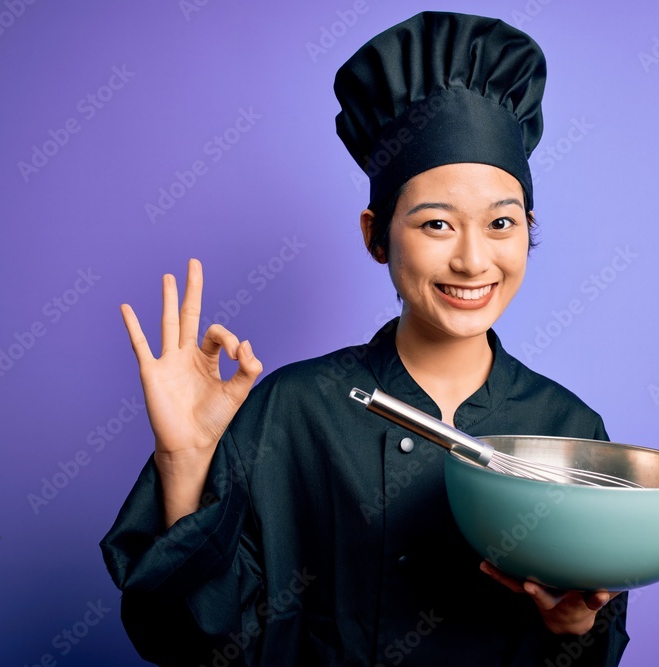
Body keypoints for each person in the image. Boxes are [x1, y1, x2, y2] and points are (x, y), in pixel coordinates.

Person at [101, 11, 630, 666]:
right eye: (436, 224)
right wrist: (185, 461)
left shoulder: (569, 431)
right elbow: (201, 646)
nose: (472, 259)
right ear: (375, 234)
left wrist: (572, 628)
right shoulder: (291, 411)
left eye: (501, 221)